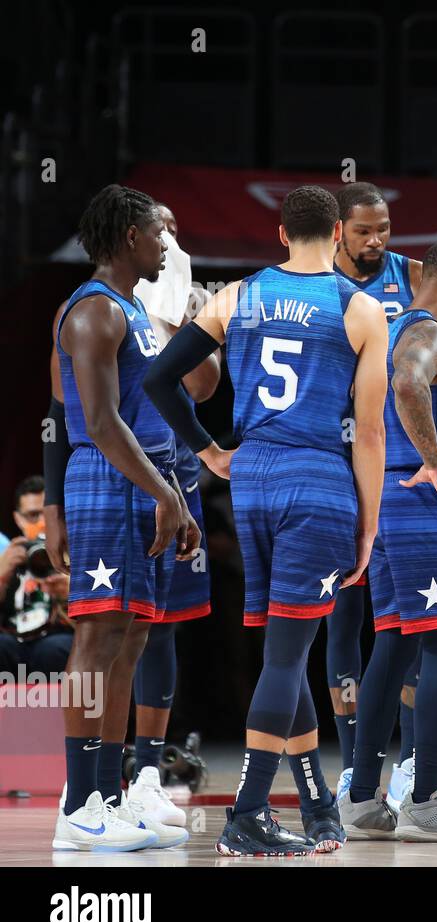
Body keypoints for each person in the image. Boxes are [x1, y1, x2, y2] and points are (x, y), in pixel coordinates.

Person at [145, 184, 389, 855]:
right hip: (318, 483)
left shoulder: (237, 295)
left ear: (281, 235)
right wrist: (368, 524)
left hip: (251, 479)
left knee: (288, 650)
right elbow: (369, 434)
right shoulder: (361, 308)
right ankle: (247, 812)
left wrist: (208, 453)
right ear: (339, 234)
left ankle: (316, 806)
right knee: (286, 657)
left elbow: (158, 379)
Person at [47, 184, 199, 852]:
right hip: (108, 480)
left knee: (133, 637)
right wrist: (165, 493)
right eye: (155, 233)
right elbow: (102, 424)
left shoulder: (136, 309)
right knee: (97, 635)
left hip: (146, 481)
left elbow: (163, 407)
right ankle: (80, 801)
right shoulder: (92, 313)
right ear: (126, 238)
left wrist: (175, 492)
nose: (165, 243)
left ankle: (108, 794)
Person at [336, 240, 437, 841]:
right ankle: (425, 798)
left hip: (379, 498)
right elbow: (409, 384)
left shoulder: (380, 326)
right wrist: (433, 460)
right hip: (423, 499)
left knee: (393, 644)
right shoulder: (435, 334)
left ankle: (358, 797)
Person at [328, 182, 424, 794]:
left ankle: (413, 766)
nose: (377, 240)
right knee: (343, 618)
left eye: (384, 227)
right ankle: (353, 766)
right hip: (338, 466)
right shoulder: (315, 286)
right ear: (338, 229)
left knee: (413, 618)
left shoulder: (411, 276)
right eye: (364, 230)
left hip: (399, 467)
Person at [128, 203, 221, 831]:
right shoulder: (107, 301)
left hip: (178, 472)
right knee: (115, 625)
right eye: (160, 229)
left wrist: (184, 323)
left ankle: (147, 770)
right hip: (121, 470)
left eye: (175, 229)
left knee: (164, 626)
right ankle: (97, 777)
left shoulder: (186, 298)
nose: (170, 240)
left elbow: (207, 387)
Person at [0, 477, 74, 677]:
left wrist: (71, 591)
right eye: (33, 515)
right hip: (13, 636)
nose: (42, 523)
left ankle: (53, 710)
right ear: (18, 519)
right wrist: (2, 575)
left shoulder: (76, 554)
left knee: (53, 649)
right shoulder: (8, 554)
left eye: (47, 513)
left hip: (58, 637)